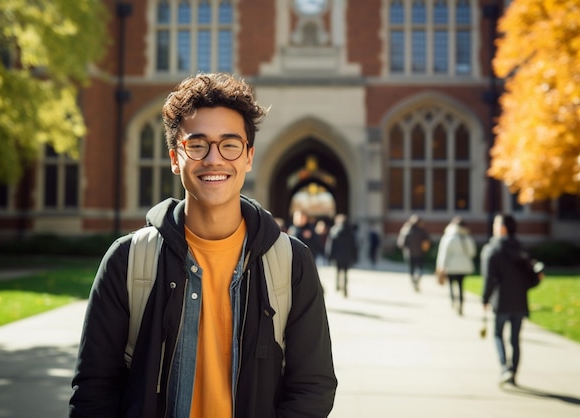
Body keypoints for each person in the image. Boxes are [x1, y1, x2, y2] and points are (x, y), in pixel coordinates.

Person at [69, 73, 337, 417]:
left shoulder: (290, 261)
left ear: (248, 156)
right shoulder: (128, 260)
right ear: (174, 158)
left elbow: (313, 387)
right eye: (197, 145)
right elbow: (94, 390)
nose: (214, 159)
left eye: (229, 144)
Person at [481, 213, 543, 386]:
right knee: (515, 339)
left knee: (498, 335)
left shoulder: (493, 250)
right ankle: (513, 372)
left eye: (495, 224)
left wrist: (484, 299)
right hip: (519, 302)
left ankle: (504, 368)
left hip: (501, 302)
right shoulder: (522, 249)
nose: (493, 227)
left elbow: (489, 279)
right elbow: (532, 279)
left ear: (502, 228)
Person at [435, 216, 476, 316]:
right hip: (463, 266)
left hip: (451, 266)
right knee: (461, 286)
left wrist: (441, 266)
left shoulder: (448, 237)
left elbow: (443, 254)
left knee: (451, 284)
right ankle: (461, 303)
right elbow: (472, 252)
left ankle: (453, 300)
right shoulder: (467, 238)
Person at [325, 214, 358, 297]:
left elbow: (331, 245)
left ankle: (337, 286)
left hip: (337, 256)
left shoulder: (334, 230)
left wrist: (329, 255)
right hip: (347, 256)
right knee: (346, 273)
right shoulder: (350, 231)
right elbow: (354, 245)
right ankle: (345, 289)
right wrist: (354, 256)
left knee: (338, 271)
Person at [396, 214, 431, 292]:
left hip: (409, 253)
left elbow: (401, 244)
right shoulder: (422, 231)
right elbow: (427, 242)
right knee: (420, 269)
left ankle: (413, 281)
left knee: (411, 269)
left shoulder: (406, 230)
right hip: (420, 253)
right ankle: (416, 280)